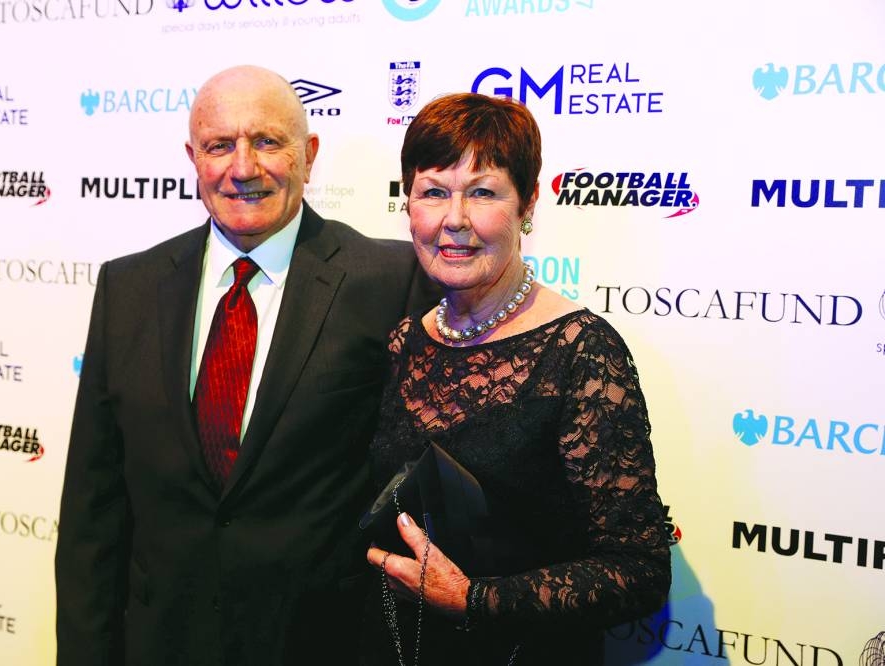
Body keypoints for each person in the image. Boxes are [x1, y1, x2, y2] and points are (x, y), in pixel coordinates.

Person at [55, 65, 436, 666]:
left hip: (318, 645)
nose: (242, 167)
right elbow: (91, 514)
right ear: (192, 158)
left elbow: (417, 490)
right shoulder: (127, 287)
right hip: (158, 645)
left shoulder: (390, 282)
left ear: (308, 154)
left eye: (266, 141)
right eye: (219, 146)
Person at [362, 93, 671, 666]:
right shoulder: (407, 339)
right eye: (433, 191)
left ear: (528, 202)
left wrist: (473, 600)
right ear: (408, 205)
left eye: (482, 192)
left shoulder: (582, 352)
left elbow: (640, 571)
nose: (455, 219)